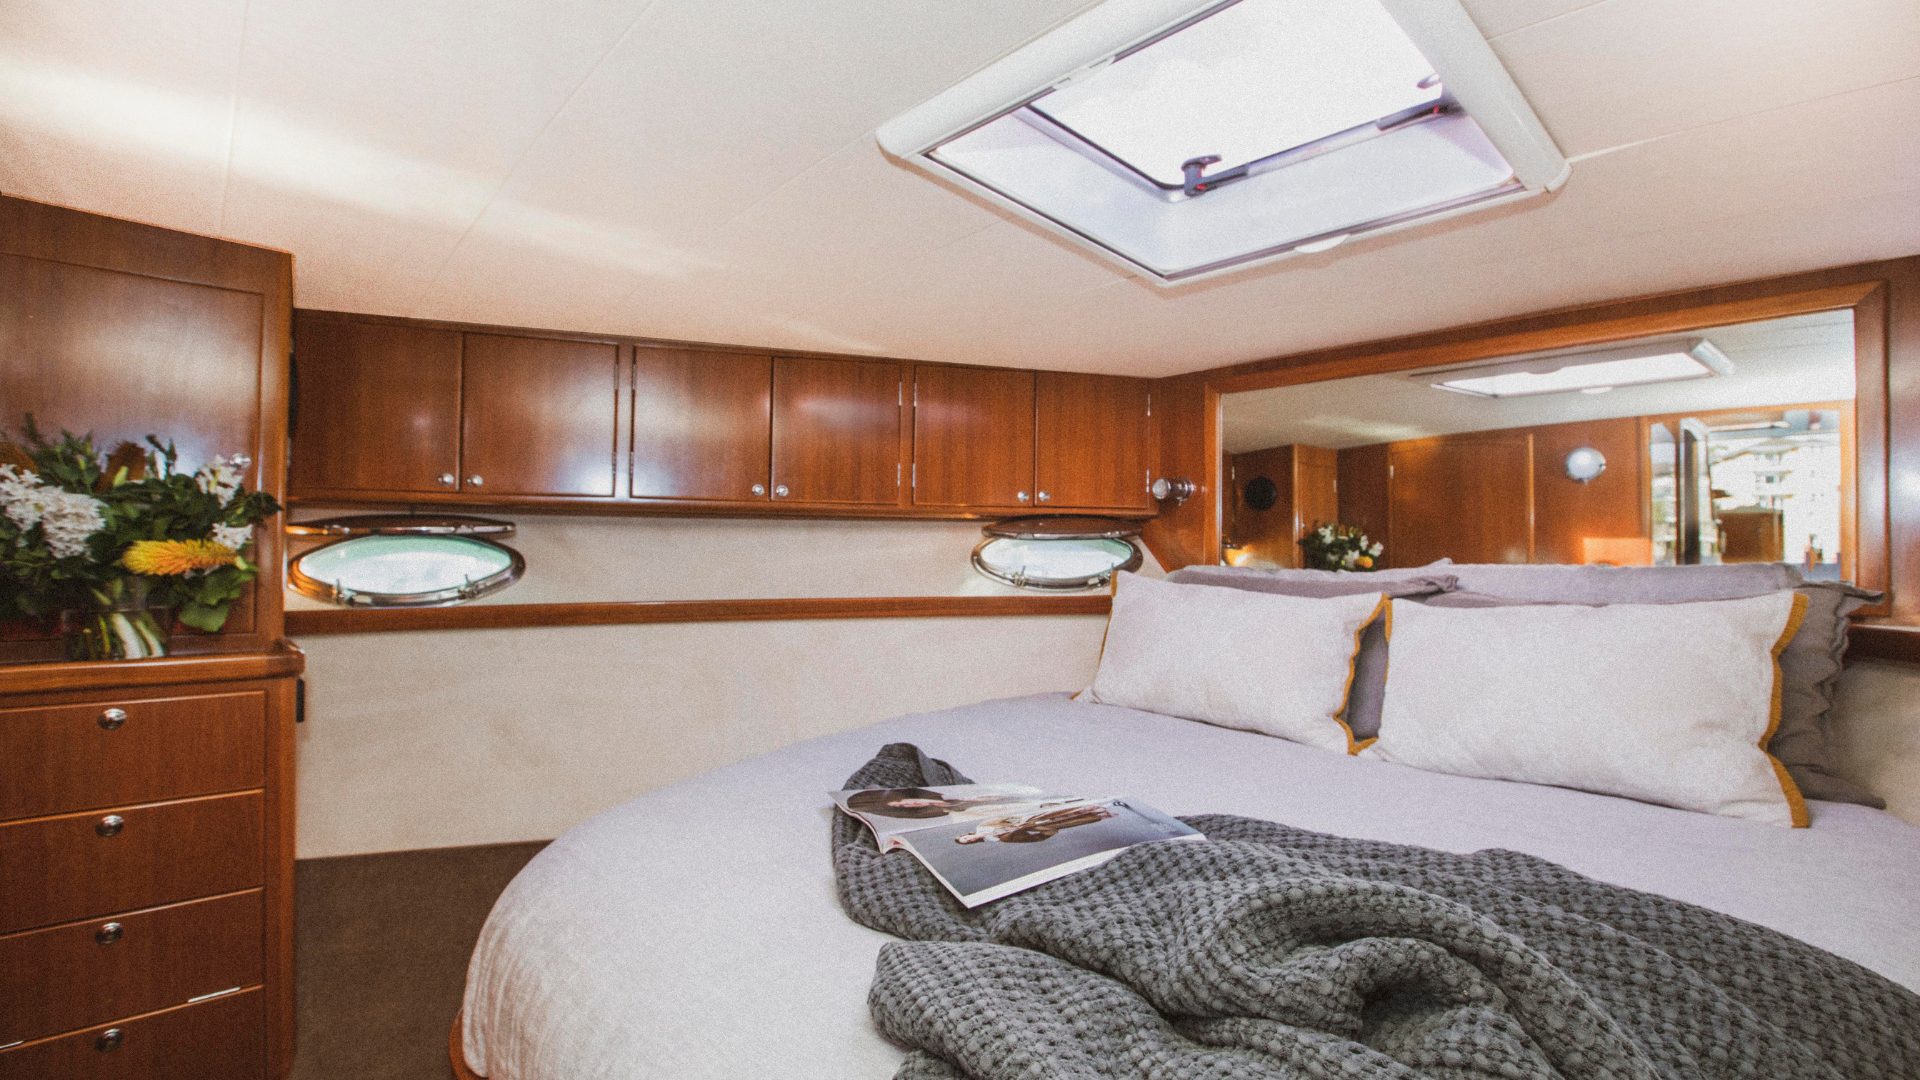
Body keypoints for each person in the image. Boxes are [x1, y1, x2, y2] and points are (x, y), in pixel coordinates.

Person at [953, 803, 1115, 844]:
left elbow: (1005, 817)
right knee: (1069, 822)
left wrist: (1021, 821)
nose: (969, 840)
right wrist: (1045, 834)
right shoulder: (996, 840)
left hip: (1029, 819)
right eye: (968, 843)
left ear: (966, 835)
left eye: (966, 838)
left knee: (1060, 813)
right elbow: (1025, 839)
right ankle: (1102, 815)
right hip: (1036, 826)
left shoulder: (983, 826)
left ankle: (1094, 807)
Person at [844, 787, 1031, 820]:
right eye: (902, 808)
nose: (908, 804)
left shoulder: (953, 793)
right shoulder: (955, 814)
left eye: (902, 801)